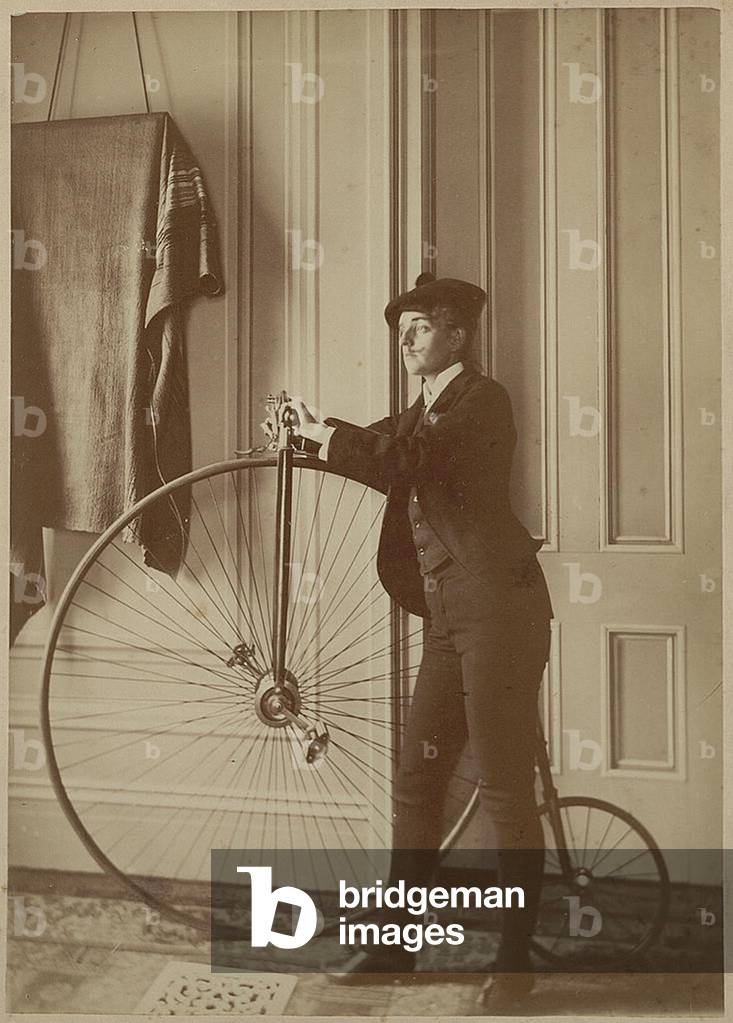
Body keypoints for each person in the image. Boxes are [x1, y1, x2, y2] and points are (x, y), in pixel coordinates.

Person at [285, 273, 554, 1012]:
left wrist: (332, 436)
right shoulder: (420, 413)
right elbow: (378, 450)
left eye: (421, 327)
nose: (404, 339)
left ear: (458, 335)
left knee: (502, 789)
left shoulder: (480, 401)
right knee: (415, 780)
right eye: (400, 328)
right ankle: (398, 941)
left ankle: (513, 964)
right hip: (445, 616)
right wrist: (303, 432)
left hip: (500, 613)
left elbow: (407, 462)